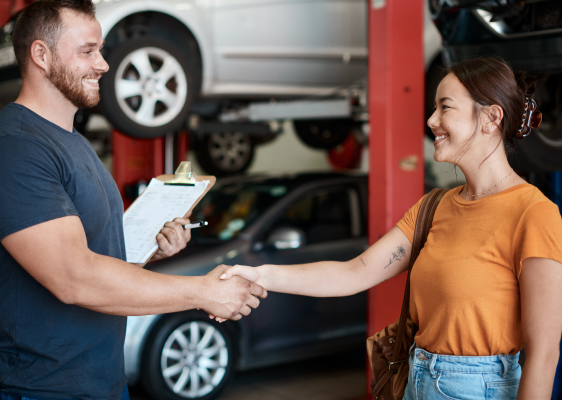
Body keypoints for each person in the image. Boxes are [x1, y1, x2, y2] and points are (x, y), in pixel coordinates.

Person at [0, 1, 266, 399]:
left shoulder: (75, 145)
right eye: (88, 51)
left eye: (101, 50)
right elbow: (75, 278)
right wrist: (201, 292)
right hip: (28, 388)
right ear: (41, 54)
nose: (103, 64)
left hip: (99, 383)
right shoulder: (13, 148)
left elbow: (96, 258)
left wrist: (148, 250)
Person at [219, 56, 562, 399]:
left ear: (491, 117)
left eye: (445, 108)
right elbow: (353, 273)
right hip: (417, 379)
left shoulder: (533, 213)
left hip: (480, 388)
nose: (431, 120)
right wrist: (262, 275)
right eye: (434, 108)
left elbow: (544, 352)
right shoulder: (435, 207)